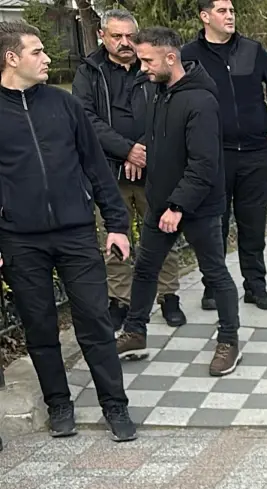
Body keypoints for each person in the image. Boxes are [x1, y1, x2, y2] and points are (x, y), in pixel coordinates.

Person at [0, 21, 137, 442]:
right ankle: (59, 405)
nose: (46, 59)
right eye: (37, 52)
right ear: (11, 58)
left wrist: (116, 224)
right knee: (39, 326)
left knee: (96, 321)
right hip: (19, 239)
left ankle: (116, 407)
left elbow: (96, 168)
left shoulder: (64, 105)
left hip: (76, 232)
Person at [116, 27, 242, 378]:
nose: (142, 66)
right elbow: (163, 139)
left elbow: (204, 164)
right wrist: (140, 149)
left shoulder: (201, 101)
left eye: (147, 60)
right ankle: (135, 331)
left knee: (214, 272)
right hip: (162, 202)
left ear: (170, 57)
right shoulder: (159, 92)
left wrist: (178, 206)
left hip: (196, 206)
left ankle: (229, 341)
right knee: (145, 268)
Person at [73, 8, 186, 329]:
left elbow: (171, 109)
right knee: (114, 236)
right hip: (109, 171)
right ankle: (120, 300)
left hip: (154, 168)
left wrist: (143, 149)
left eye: (130, 37)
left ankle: (169, 295)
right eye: (117, 36)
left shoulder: (153, 66)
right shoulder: (89, 72)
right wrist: (126, 150)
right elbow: (85, 118)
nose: (125, 43)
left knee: (163, 231)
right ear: (102, 36)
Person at [182, 0, 267, 311]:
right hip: (214, 156)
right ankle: (213, 287)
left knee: (253, 226)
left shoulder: (253, 50)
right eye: (222, 11)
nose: (230, 16)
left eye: (232, 11)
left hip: (255, 154)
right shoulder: (190, 56)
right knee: (215, 224)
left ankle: (256, 286)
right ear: (205, 17)